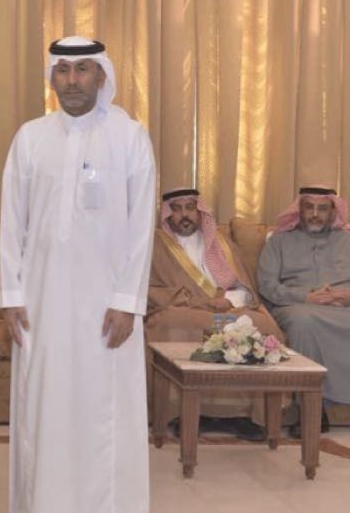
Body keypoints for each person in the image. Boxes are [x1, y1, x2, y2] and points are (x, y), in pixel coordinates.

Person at [0, 36, 156, 513]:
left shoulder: (130, 138)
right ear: (52, 78)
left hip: (105, 307)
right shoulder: (30, 138)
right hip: (40, 302)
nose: (72, 80)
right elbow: (12, 222)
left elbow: (141, 229)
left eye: (83, 69)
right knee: (39, 406)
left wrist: (127, 301)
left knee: (102, 412)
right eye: (62, 70)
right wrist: (11, 293)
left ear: (101, 76)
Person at [147, 187, 284, 441]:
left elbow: (244, 287)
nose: (184, 215)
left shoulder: (221, 243)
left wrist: (228, 300)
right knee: (171, 323)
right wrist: (200, 302)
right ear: (166, 214)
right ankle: (180, 412)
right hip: (185, 310)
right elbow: (151, 291)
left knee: (260, 324)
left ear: (200, 212)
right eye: (177, 209)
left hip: (228, 310)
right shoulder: (155, 245)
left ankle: (241, 415)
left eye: (190, 208)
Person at [257, 186, 350, 434]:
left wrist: (344, 296)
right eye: (309, 207)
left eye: (322, 208)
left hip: (343, 306)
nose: (315, 214)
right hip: (296, 305)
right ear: (299, 210)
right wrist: (306, 296)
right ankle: (311, 407)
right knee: (303, 321)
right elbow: (267, 285)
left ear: (333, 212)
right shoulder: (279, 241)